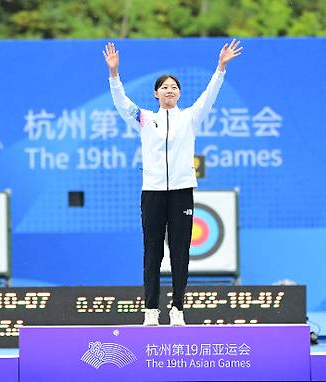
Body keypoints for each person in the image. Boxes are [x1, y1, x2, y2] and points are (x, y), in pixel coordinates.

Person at [104, 39, 242, 326]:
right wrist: (114, 74)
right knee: (152, 251)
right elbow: (121, 103)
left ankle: (177, 308)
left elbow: (209, 96)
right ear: (156, 94)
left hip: (181, 193)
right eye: (164, 87)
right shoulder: (144, 119)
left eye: (174, 87)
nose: (170, 90)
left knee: (180, 251)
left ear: (179, 94)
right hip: (152, 193)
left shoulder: (190, 117)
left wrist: (221, 67)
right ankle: (151, 310)